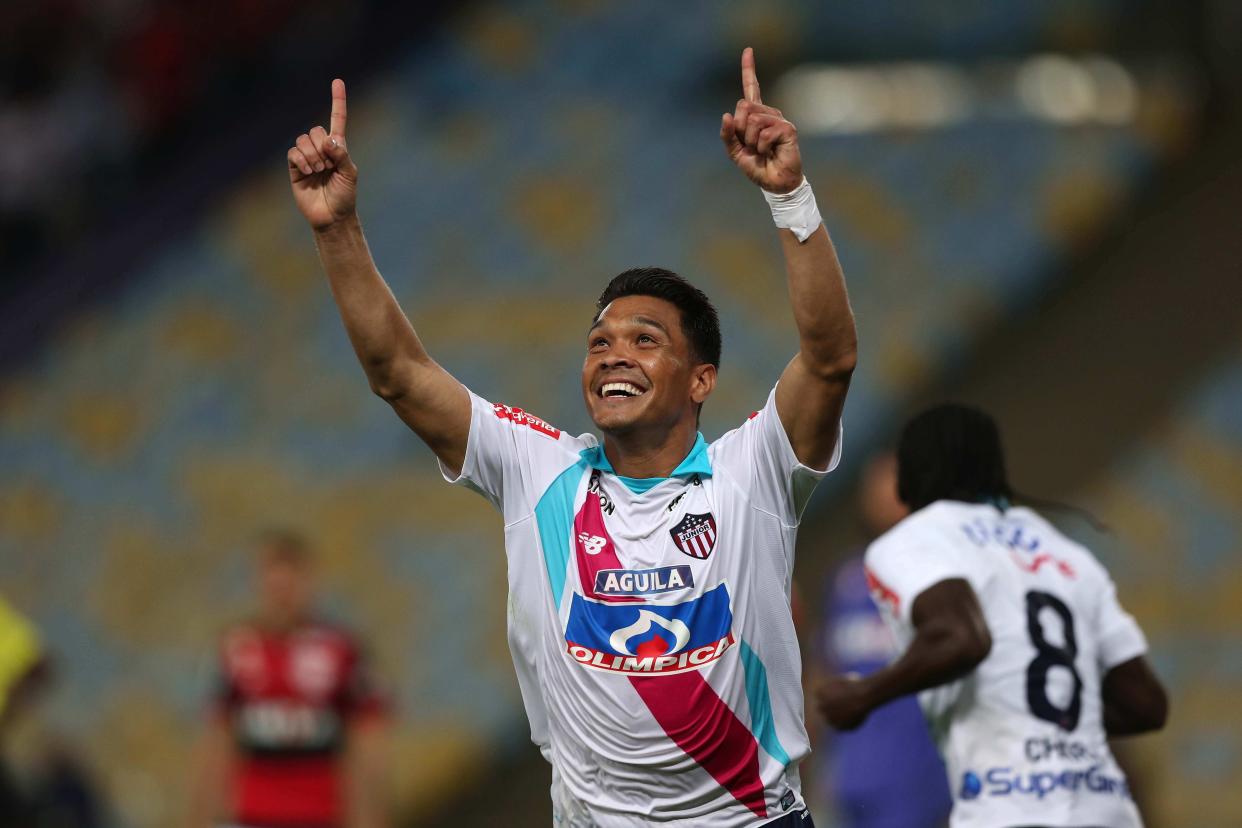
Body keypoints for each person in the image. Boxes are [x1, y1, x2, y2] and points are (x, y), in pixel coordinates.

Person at [286, 47, 856, 826]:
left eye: (645, 338)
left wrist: (791, 199)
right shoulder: (539, 469)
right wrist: (338, 228)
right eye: (598, 341)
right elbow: (398, 373)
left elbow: (829, 359)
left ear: (701, 379)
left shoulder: (749, 473)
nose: (613, 352)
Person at [816, 404, 1168, 828]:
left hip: (950, 795)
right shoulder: (850, 580)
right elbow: (1143, 704)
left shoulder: (934, 557)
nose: (882, 487)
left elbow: (965, 640)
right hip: (873, 792)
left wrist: (865, 694)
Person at [187, 531, 390, 828]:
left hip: (318, 817)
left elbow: (369, 750)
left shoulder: (341, 651)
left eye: (290, 584)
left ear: (309, 584)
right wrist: (199, 818)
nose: (282, 595)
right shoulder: (236, 650)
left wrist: (371, 819)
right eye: (274, 584)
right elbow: (214, 748)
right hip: (252, 817)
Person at [812, 454, 951, 828]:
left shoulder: (945, 579)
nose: (886, 497)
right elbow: (825, 674)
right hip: (850, 779)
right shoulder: (845, 579)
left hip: (922, 782)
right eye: (877, 486)